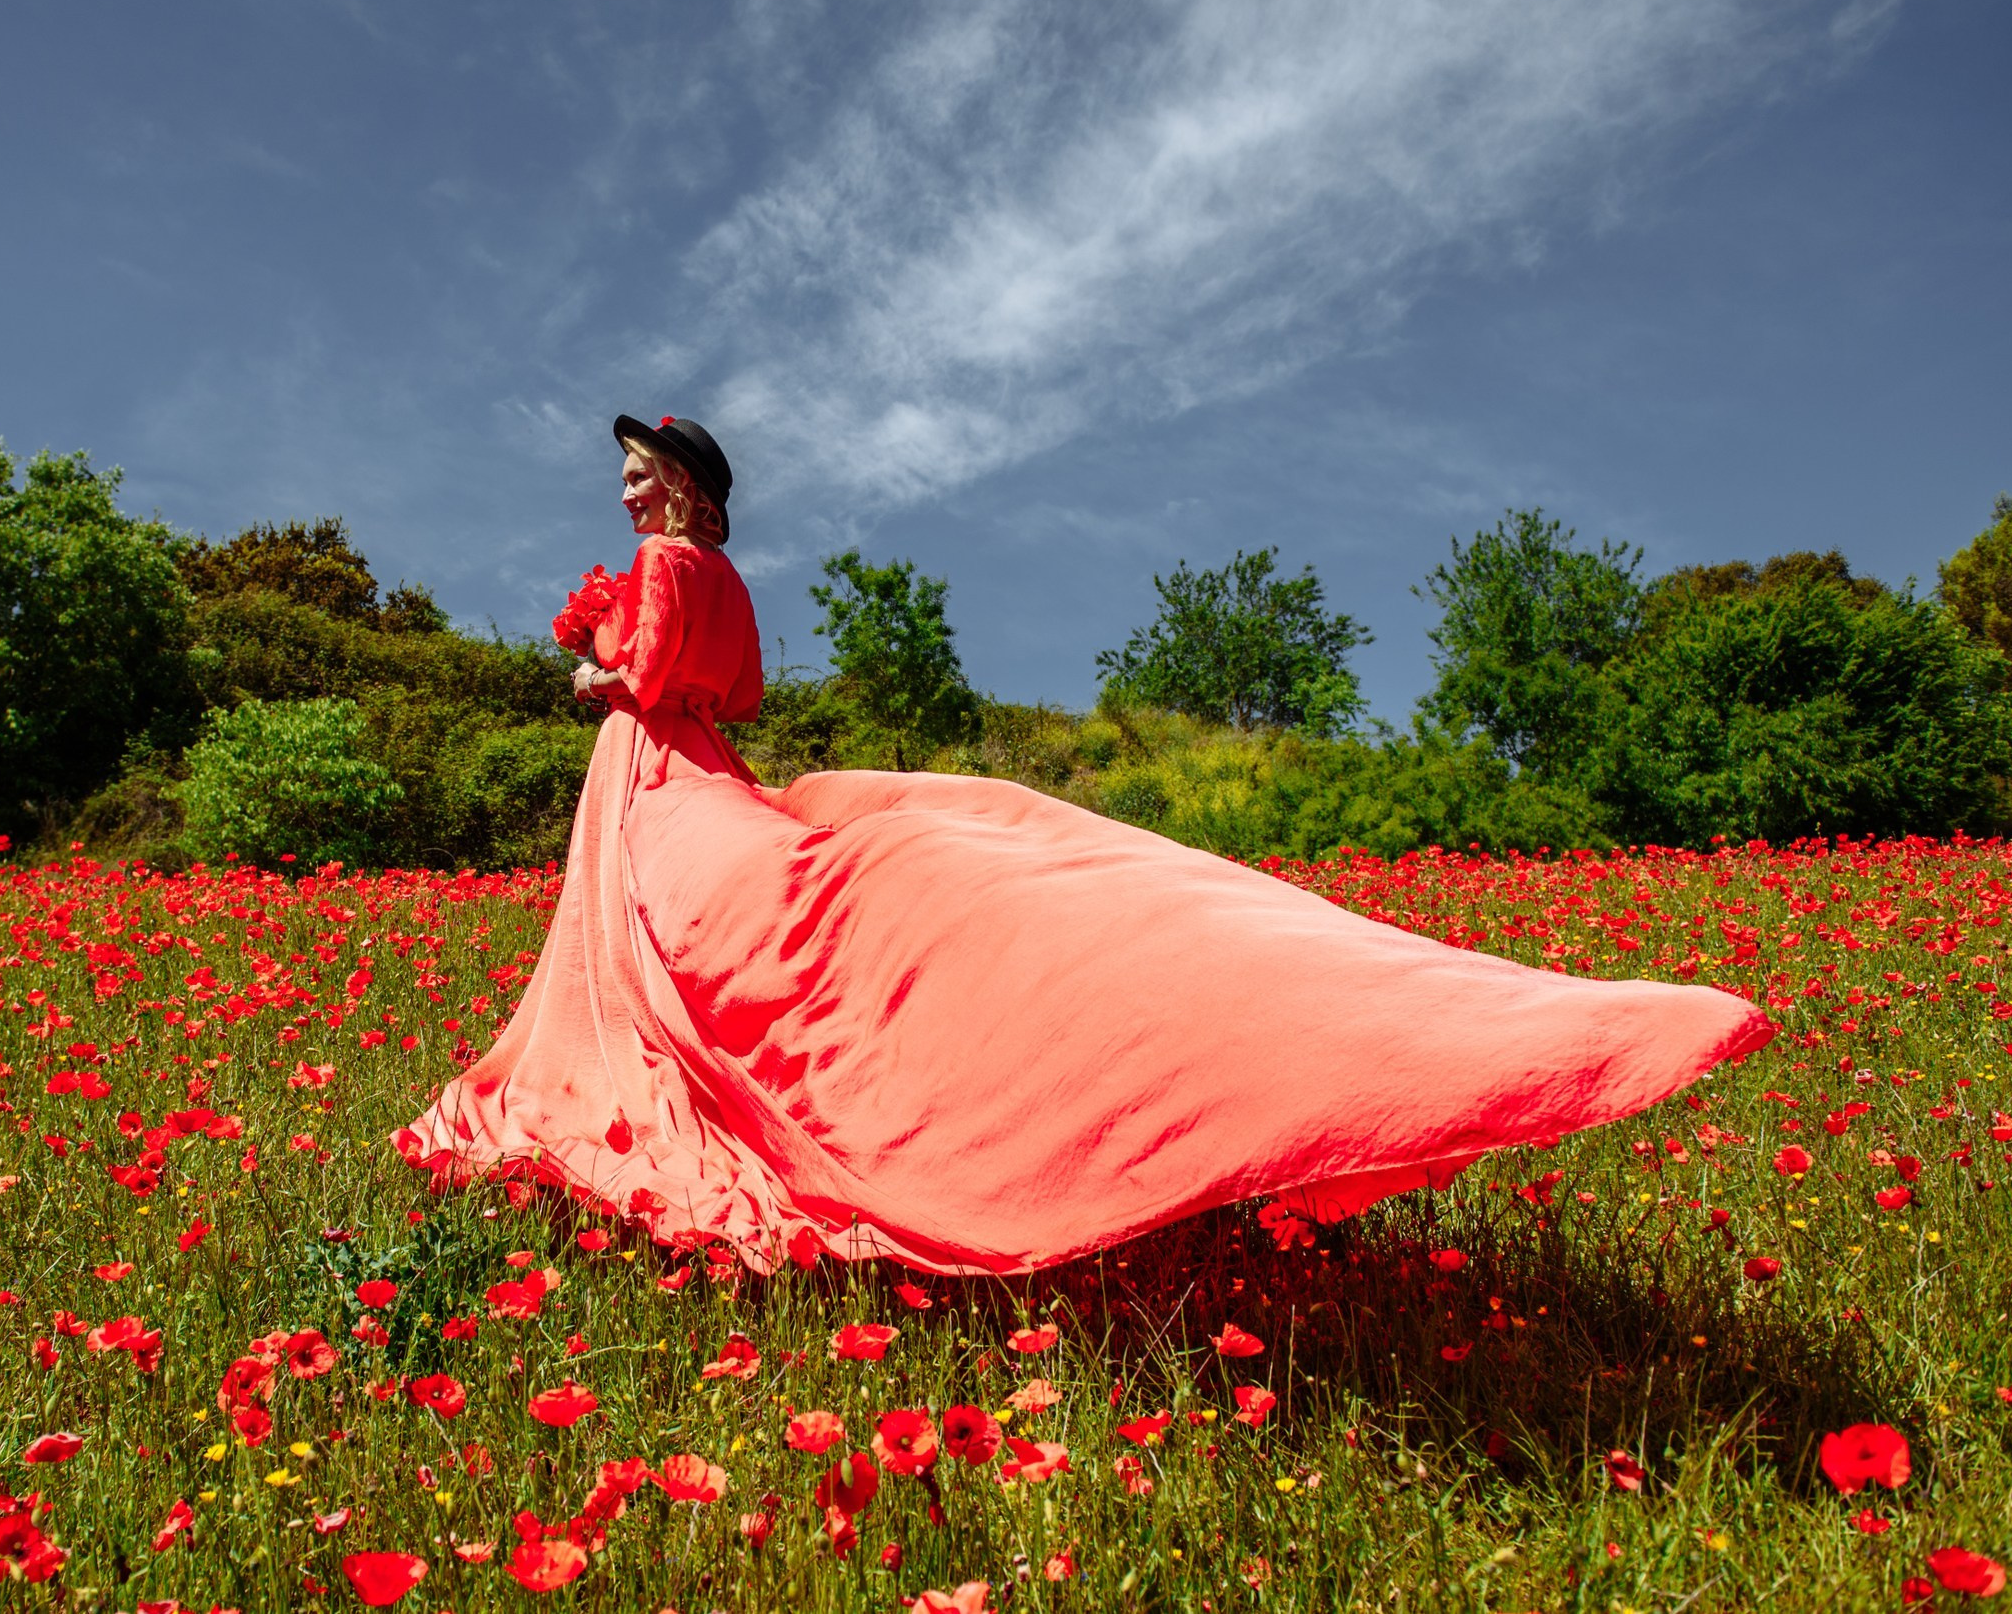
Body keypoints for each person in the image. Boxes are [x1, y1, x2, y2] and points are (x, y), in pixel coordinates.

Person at [398, 414, 1773, 1275]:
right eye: (629, 488)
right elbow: (736, 690)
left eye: (646, 482)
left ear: (689, 491)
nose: (633, 501)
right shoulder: (729, 582)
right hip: (699, 766)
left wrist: (589, 662)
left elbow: (636, 683)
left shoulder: (667, 572)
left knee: (694, 959)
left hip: (664, 780)